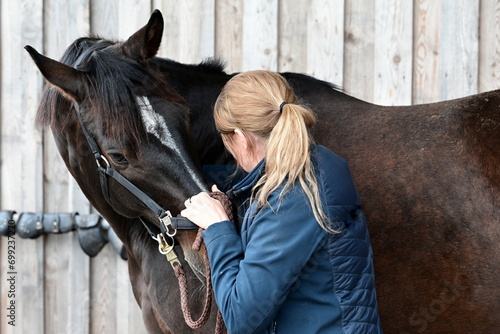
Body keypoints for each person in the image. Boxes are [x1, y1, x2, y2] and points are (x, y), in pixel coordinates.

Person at [181, 70, 383, 334]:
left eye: (227, 141)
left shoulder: (292, 198)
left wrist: (218, 228)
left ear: (240, 138)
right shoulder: (322, 165)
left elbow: (241, 318)